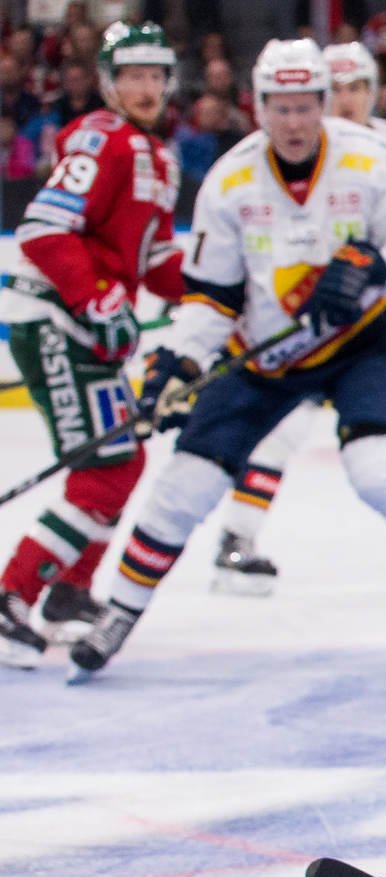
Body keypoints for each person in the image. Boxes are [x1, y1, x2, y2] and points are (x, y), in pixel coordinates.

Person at [66, 39, 386, 681]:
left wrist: (376, 266)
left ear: (322, 103)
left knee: (381, 468)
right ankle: (120, 611)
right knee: (185, 487)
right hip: (264, 358)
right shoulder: (230, 183)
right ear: (258, 107)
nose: (293, 122)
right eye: (280, 107)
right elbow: (212, 298)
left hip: (360, 346)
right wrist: (174, 364)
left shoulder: (372, 160)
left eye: (304, 106)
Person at [200, 41, 386, 597]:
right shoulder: (268, 157)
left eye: (359, 87)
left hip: (365, 328)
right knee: (279, 430)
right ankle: (237, 537)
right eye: (340, 89)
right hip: (294, 322)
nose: (349, 100)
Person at [0, 23, 185, 669]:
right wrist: (95, 299)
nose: (144, 87)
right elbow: (44, 228)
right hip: (54, 318)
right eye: (131, 75)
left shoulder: (158, 157)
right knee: (103, 467)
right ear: (110, 82)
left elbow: (154, 257)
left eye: (154, 75)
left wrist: (221, 290)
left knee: (120, 462)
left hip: (86, 326)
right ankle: (10, 597)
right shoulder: (101, 137)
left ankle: (70, 590)